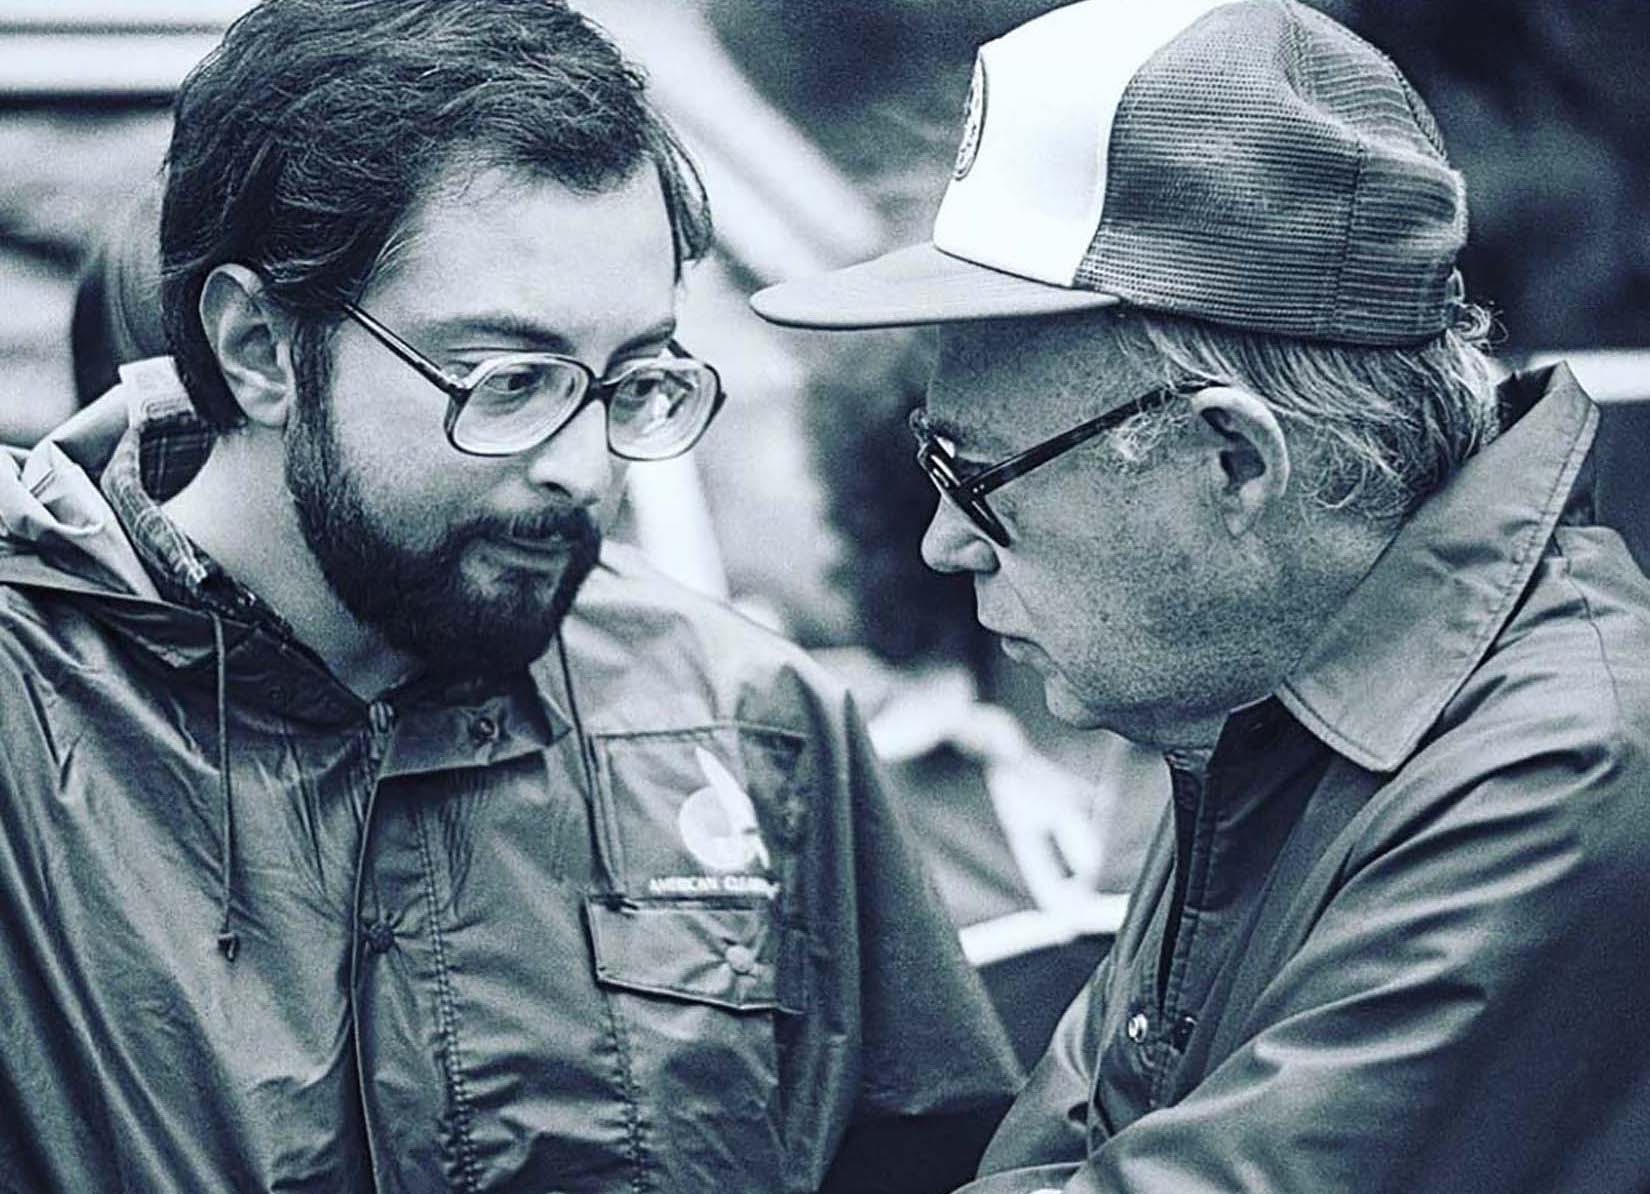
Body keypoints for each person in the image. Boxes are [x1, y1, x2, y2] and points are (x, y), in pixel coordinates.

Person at [0, 2, 1023, 1190]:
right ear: (259, 350)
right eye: (506, 382)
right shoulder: (29, 726)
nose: (585, 471)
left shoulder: (751, 730)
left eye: (634, 379)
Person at [751, 1, 1650, 1191]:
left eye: (972, 475)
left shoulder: (1564, 765)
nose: (939, 546)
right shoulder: (1292, 705)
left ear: (1234, 460)